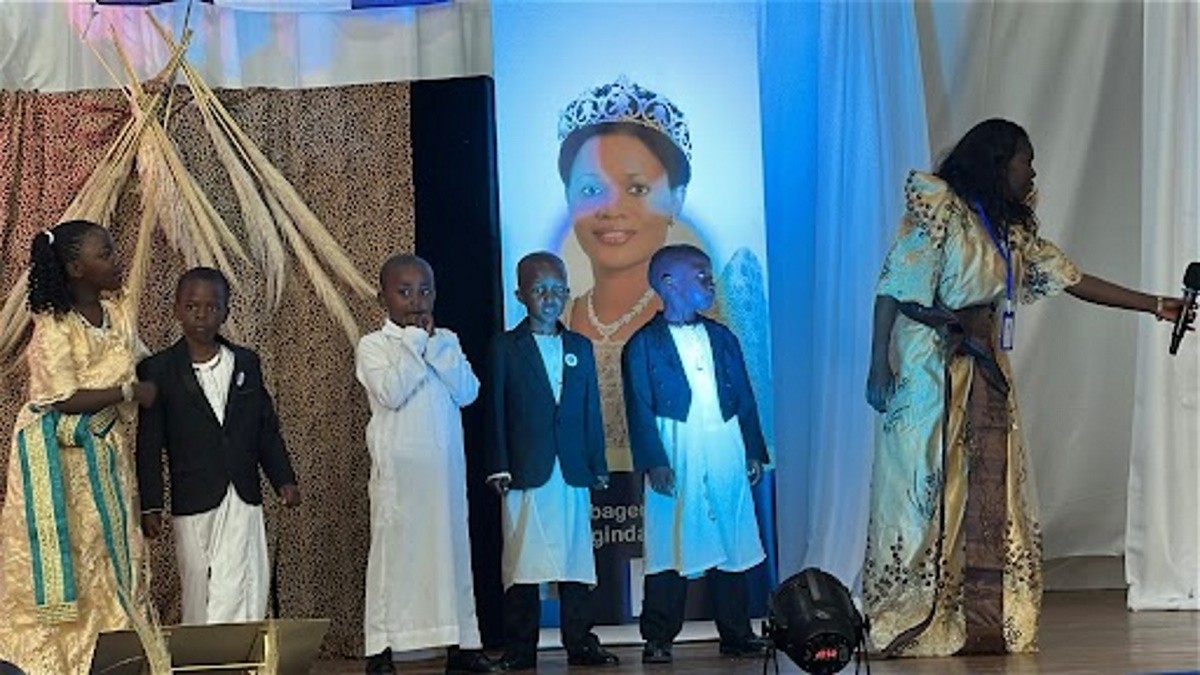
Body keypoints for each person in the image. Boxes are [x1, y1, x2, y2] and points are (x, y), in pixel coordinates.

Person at [863, 118, 1193, 657]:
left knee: (986, 487)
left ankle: (978, 618)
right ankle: (913, 613)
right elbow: (893, 287)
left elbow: (1073, 278)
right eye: (1026, 159)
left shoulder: (1009, 228)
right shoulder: (940, 206)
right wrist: (878, 363)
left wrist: (1156, 305)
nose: (1033, 170)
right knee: (926, 486)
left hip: (983, 365)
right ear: (998, 162)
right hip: (932, 366)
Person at [0, 220, 165, 674]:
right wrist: (131, 394)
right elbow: (64, 398)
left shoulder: (118, 314)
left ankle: (110, 656)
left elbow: (137, 361)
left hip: (106, 455)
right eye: (106, 254)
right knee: (68, 561)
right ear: (76, 268)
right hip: (60, 466)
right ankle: (53, 663)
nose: (118, 260)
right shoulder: (54, 326)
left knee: (111, 559)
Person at [621, 244, 769, 665]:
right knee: (670, 542)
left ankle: (737, 633)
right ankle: (658, 637)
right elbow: (639, 408)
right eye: (700, 273)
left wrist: (753, 449)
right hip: (675, 447)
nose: (710, 280)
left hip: (724, 444)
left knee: (731, 535)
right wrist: (654, 460)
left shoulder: (722, 337)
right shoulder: (643, 344)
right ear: (668, 282)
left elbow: (743, 397)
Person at [356, 254, 499, 675]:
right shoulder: (373, 346)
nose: (416, 301)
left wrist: (435, 346)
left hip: (445, 477)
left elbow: (469, 391)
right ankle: (381, 650)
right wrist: (417, 344)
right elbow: (392, 391)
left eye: (424, 291)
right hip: (400, 479)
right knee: (393, 559)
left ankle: (462, 645)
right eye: (404, 292)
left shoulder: (447, 340)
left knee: (452, 554)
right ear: (382, 296)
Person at [136, 266, 301, 625]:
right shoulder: (158, 370)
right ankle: (205, 657)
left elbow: (265, 429)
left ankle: (237, 656)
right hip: (193, 496)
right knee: (199, 581)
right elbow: (148, 445)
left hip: (242, 493)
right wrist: (151, 504)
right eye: (193, 306)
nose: (202, 315)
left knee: (241, 579)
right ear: (177, 309)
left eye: (212, 307)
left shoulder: (246, 363)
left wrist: (283, 479)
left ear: (226, 311)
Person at [485, 252, 619, 671]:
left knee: (576, 558)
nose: (549, 298)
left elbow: (590, 411)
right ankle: (520, 649)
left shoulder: (579, 346)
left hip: (573, 469)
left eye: (557, 290)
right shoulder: (506, 347)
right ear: (520, 294)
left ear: (567, 293)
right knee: (524, 562)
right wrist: (498, 464)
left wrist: (597, 462)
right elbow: (494, 412)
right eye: (539, 290)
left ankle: (580, 642)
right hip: (526, 470)